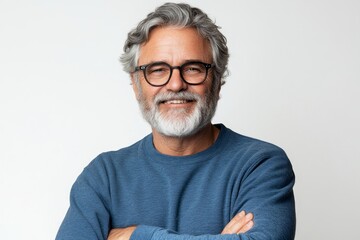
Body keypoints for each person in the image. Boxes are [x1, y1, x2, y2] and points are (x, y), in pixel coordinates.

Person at [56, 2, 296, 240]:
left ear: (217, 79)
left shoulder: (260, 164)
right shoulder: (104, 176)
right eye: (158, 70)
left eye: (192, 68)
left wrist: (139, 236)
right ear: (136, 84)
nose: (175, 84)